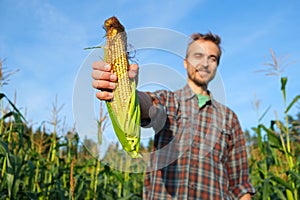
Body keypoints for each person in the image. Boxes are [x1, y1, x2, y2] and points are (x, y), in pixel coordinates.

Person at [92, 32, 255, 199]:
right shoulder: (168, 100)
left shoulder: (229, 118)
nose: (205, 63)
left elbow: (240, 186)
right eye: (198, 55)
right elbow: (150, 105)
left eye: (212, 58)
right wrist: (127, 90)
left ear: (216, 66)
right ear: (185, 62)